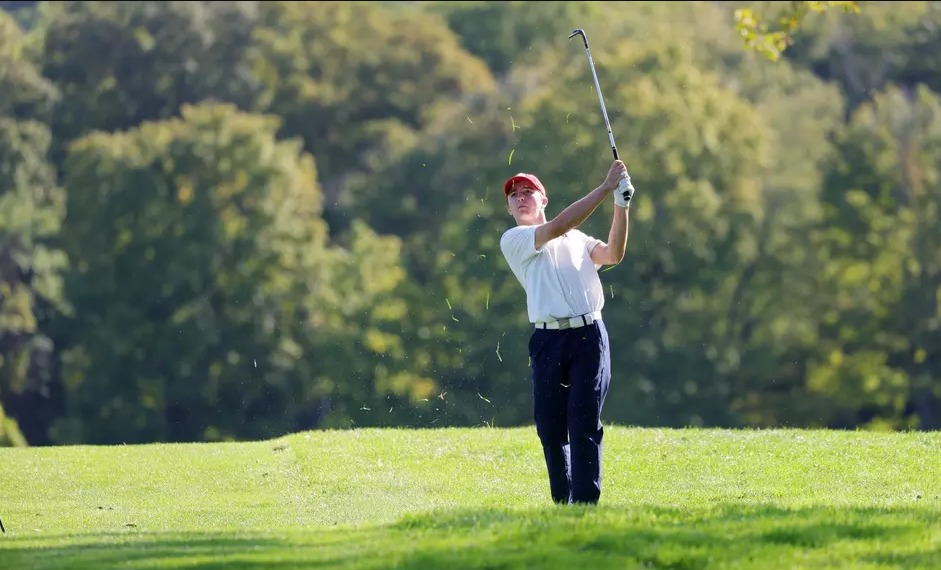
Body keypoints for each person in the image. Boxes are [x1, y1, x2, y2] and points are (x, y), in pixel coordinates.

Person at [499, 159, 633, 505]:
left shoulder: (578, 239)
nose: (521, 198)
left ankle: (584, 504)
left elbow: (613, 254)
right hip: (548, 340)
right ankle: (563, 501)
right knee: (550, 426)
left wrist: (621, 205)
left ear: (543, 199)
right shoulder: (515, 239)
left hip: (589, 336)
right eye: (514, 196)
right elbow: (559, 224)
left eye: (528, 192)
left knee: (584, 420)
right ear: (509, 208)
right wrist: (605, 187)